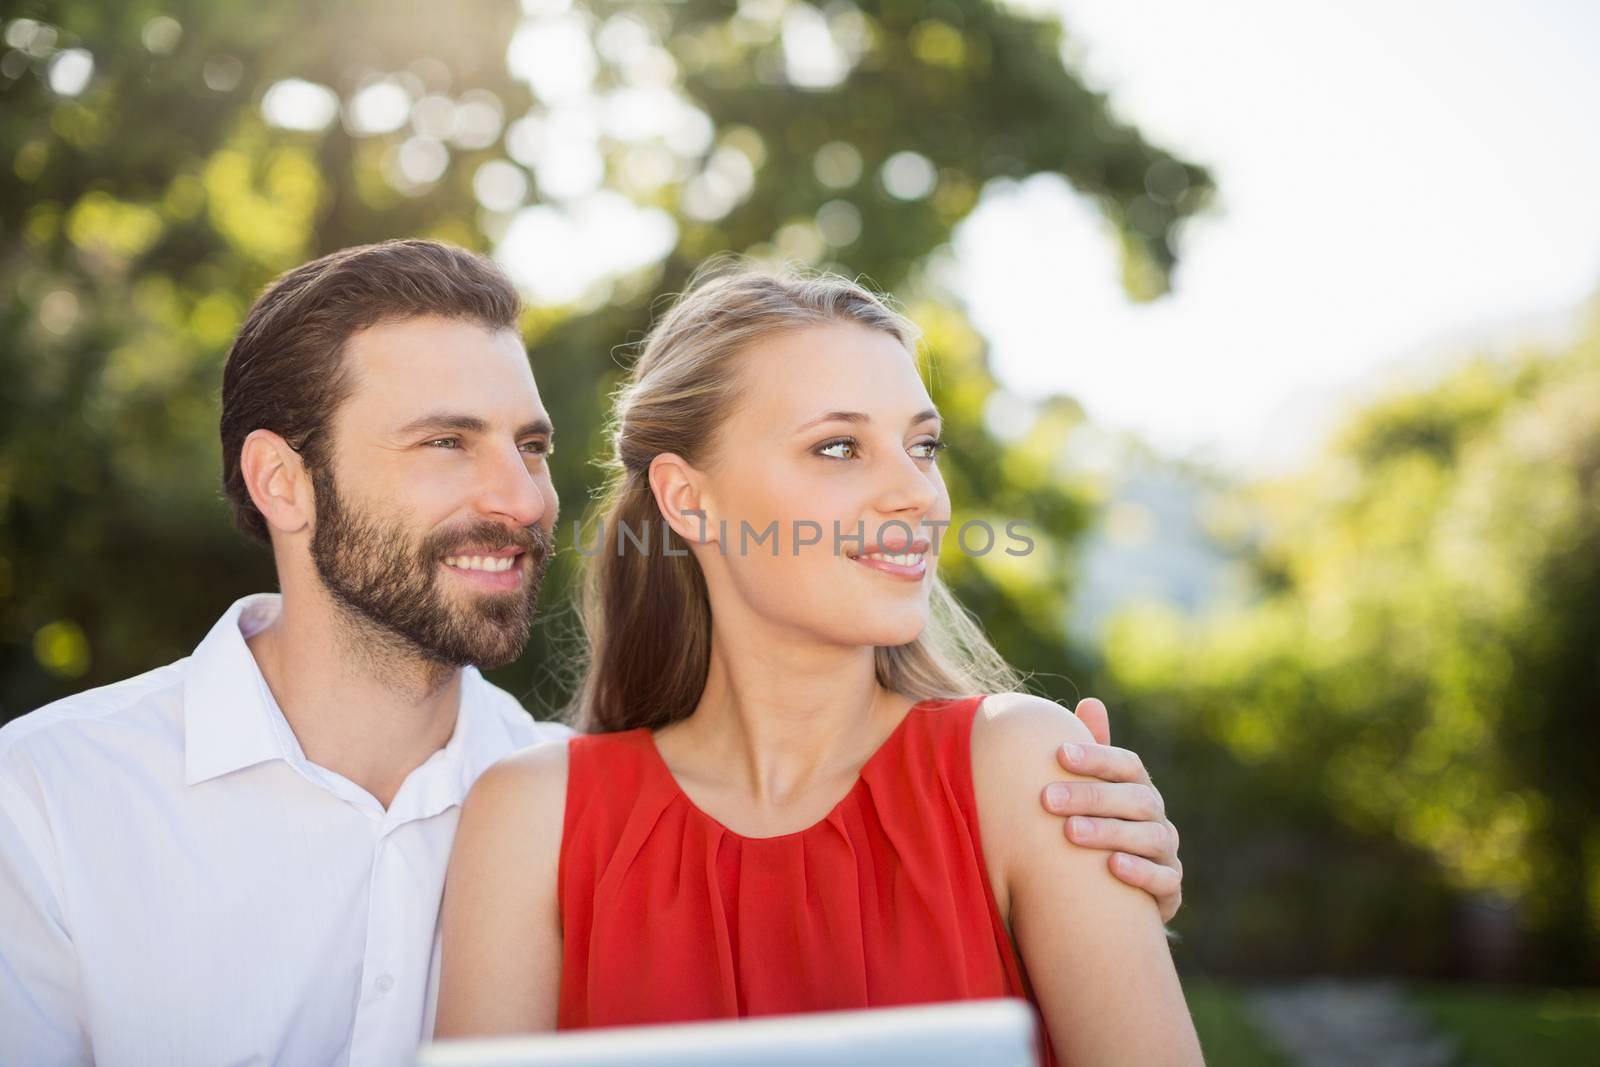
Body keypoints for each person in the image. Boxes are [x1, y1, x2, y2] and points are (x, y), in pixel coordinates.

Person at [0, 241, 1184, 1067]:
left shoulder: (1027, 776)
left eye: (529, 443)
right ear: (282, 481)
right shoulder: (51, 797)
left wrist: (1101, 885)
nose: (519, 497)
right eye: (446, 442)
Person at [435, 265, 1203, 1065]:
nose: (919, 494)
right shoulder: (532, 818)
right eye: (839, 447)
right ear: (688, 498)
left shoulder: (1029, 773)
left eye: (923, 445)